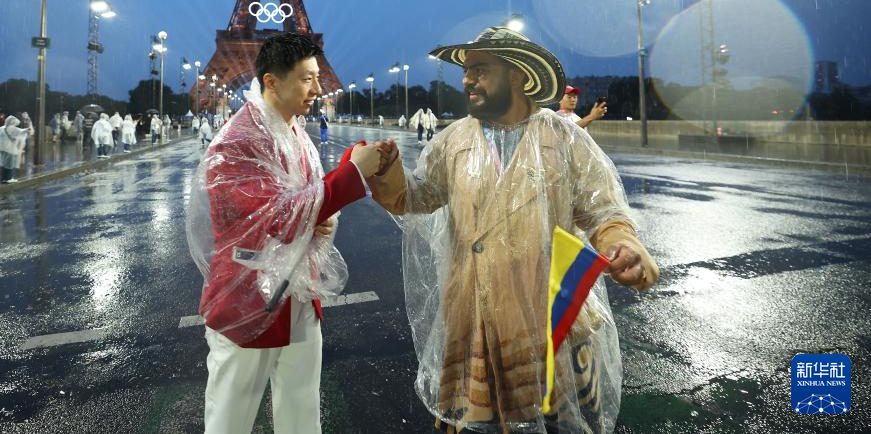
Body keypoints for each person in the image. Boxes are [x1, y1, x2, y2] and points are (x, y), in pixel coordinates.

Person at [367, 26, 659, 434]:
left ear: (518, 76)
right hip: (470, 316)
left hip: (546, 317)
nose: (467, 79)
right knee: (472, 424)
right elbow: (417, 197)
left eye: (481, 70)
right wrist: (388, 172)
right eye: (467, 71)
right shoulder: (453, 140)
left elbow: (603, 210)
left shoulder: (566, 139)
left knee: (552, 422)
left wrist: (623, 245)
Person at [186, 32, 384, 434]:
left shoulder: (293, 130)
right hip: (248, 297)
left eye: (318, 77)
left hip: (297, 291)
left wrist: (322, 218)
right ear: (272, 81)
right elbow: (277, 216)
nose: (318, 88)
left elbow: (304, 203)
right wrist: (352, 174)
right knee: (230, 420)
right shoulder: (238, 140)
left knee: (302, 411)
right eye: (306, 78)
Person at [0, 115, 29, 183]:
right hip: (10, 149)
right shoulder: (12, 128)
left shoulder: (2, 128)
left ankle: (4, 178)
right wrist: (27, 129)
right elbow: (21, 131)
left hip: (2, 149)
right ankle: (9, 178)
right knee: (10, 164)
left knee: (4, 165)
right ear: (12, 122)